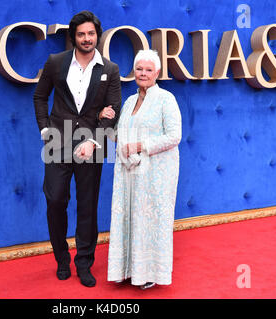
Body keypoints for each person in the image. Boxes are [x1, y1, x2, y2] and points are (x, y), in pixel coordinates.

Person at [33, 10, 121, 287]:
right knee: (55, 200)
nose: (86, 38)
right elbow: (39, 97)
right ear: (73, 36)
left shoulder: (110, 69)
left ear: (98, 35)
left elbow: (114, 109)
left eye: (91, 33)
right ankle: (61, 258)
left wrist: (94, 142)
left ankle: (84, 262)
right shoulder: (56, 62)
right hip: (57, 142)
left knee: (87, 206)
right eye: (81, 34)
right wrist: (45, 130)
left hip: (91, 145)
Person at [106, 50, 182, 290]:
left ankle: (149, 273)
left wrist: (141, 146)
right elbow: (120, 134)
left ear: (157, 73)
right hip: (129, 171)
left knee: (151, 221)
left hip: (156, 174)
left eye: (148, 70)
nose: (143, 73)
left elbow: (174, 136)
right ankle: (128, 270)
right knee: (129, 218)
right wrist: (104, 118)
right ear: (134, 71)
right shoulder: (129, 101)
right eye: (139, 69)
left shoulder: (166, 99)